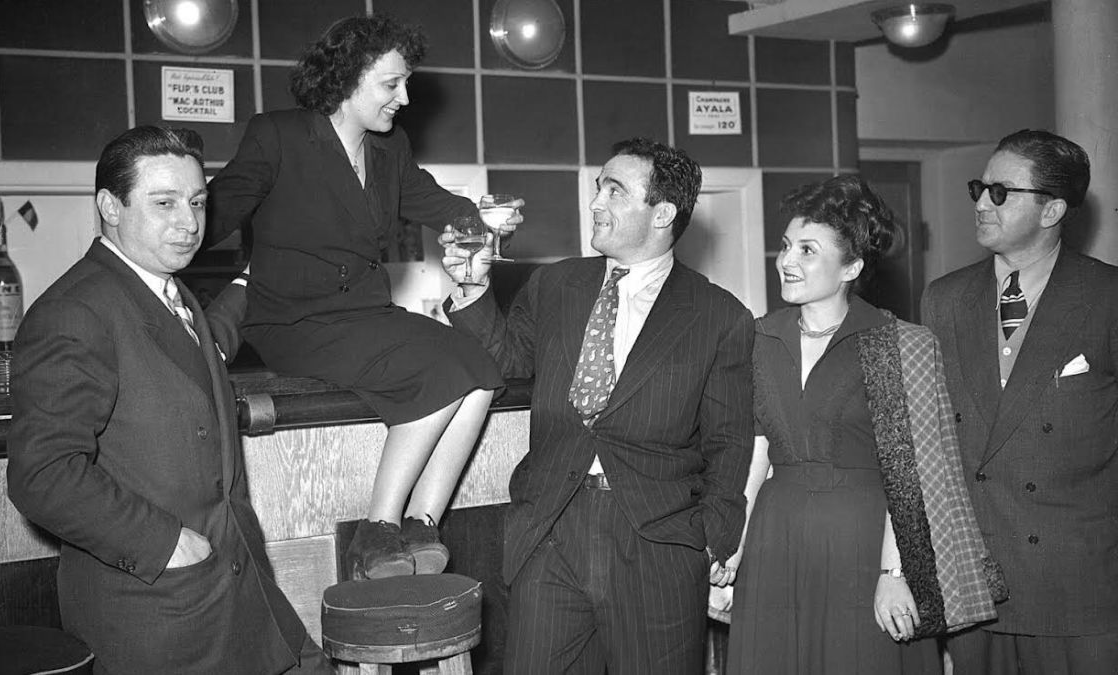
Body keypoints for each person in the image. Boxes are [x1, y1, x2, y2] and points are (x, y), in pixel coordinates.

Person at [7, 126, 327, 673]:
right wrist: (165, 542)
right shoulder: (74, 311)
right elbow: (42, 474)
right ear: (110, 206)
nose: (189, 223)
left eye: (197, 202)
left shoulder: (162, 289)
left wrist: (256, 279)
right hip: (161, 614)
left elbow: (194, 355)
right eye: (165, 203)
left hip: (240, 598)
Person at [206, 15, 513, 579]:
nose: (405, 97)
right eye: (391, 83)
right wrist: (162, 218)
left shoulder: (390, 148)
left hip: (365, 314)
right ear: (346, 79)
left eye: (406, 83)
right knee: (441, 372)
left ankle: (422, 524)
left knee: (482, 373)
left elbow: (435, 202)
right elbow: (212, 214)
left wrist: (480, 222)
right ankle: (377, 532)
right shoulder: (278, 136)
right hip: (294, 321)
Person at [439, 137, 753, 673]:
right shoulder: (555, 284)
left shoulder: (720, 316)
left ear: (662, 213)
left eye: (615, 190)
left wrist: (710, 541)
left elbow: (729, 443)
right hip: (551, 528)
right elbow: (507, 363)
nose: (595, 202)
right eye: (598, 187)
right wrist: (471, 289)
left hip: (657, 543)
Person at [718, 175, 1004, 674]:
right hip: (775, 538)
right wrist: (732, 552)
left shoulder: (899, 342)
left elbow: (913, 475)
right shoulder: (758, 338)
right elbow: (755, 455)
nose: (786, 260)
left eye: (808, 250)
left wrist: (894, 572)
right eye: (786, 245)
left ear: (851, 267)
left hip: (866, 542)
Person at [923, 129, 1118, 674]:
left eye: (1001, 193)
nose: (982, 204)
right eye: (979, 189)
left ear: (1052, 209)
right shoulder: (944, 298)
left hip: (1079, 585)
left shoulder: (1107, 297)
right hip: (976, 582)